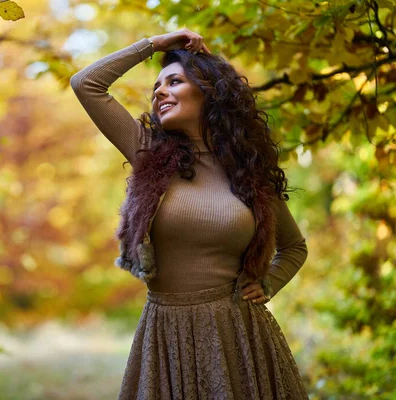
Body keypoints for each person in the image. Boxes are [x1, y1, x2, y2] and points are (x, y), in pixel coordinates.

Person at [70, 28, 309, 399]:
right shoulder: (149, 154)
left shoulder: (250, 169)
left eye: (175, 81)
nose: (159, 92)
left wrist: (267, 284)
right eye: (156, 87)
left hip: (239, 338)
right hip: (166, 335)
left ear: (209, 91)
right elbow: (86, 84)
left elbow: (294, 248)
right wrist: (157, 44)